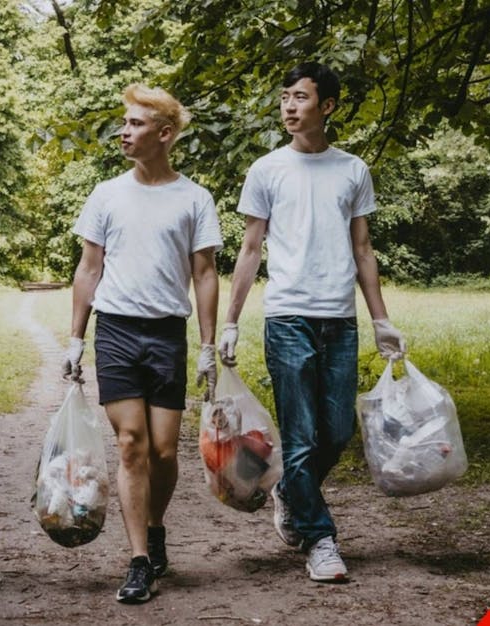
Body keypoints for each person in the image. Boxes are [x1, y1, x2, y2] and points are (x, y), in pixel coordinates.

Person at [220, 62, 407, 584]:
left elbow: (363, 248)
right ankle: (321, 539)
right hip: (287, 317)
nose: (288, 106)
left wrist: (381, 320)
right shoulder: (266, 169)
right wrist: (230, 322)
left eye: (300, 97)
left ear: (327, 106)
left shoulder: (353, 170)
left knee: (338, 429)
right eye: (284, 97)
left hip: (339, 320)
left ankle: (288, 491)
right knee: (300, 438)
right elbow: (251, 247)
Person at [62, 84, 222, 604]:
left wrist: (207, 344)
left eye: (134, 124)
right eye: (124, 123)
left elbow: (204, 273)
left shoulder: (194, 198)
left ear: (164, 134)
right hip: (116, 330)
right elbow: (89, 268)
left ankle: (156, 527)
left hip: (166, 334)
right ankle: (138, 560)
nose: (123, 132)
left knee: (163, 450)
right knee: (131, 446)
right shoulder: (106, 194)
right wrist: (74, 338)